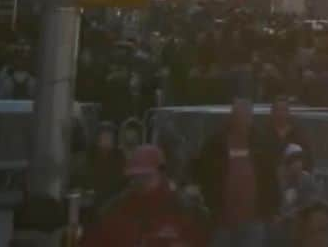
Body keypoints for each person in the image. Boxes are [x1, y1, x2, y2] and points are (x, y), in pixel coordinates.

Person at [84, 144, 208, 247]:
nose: (140, 183)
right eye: (136, 178)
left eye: (146, 177)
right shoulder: (116, 209)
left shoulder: (184, 209)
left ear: (161, 174)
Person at [194, 98, 279, 246]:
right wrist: (210, 204)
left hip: (254, 221)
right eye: (239, 116)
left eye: (246, 116)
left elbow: (271, 178)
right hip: (222, 221)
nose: (243, 120)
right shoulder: (216, 143)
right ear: (232, 117)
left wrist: (272, 209)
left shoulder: (262, 143)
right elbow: (200, 172)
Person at [261, 96, 312, 171]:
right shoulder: (264, 133)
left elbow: (308, 157)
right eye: (278, 110)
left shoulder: (297, 133)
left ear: (288, 112)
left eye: (284, 110)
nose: (281, 113)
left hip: (293, 178)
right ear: (272, 112)